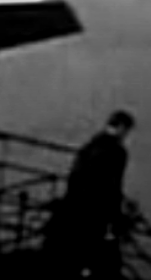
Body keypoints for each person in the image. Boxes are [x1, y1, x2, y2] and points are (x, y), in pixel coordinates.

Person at [41, 109, 136, 279]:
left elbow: (75, 178)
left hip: (74, 210)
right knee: (102, 262)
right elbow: (112, 186)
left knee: (74, 260)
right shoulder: (116, 152)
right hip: (95, 214)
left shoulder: (89, 147)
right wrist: (115, 216)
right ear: (122, 128)